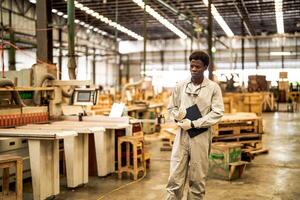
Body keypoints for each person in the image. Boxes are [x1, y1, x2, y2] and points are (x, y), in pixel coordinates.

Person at [166, 50, 224, 200]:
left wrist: (194, 123)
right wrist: (177, 116)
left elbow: (217, 112)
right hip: (182, 135)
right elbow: (171, 107)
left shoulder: (213, 88)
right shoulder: (180, 86)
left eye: (197, 67)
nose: (193, 69)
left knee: (197, 179)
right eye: (191, 66)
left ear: (205, 67)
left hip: (201, 136)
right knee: (175, 177)